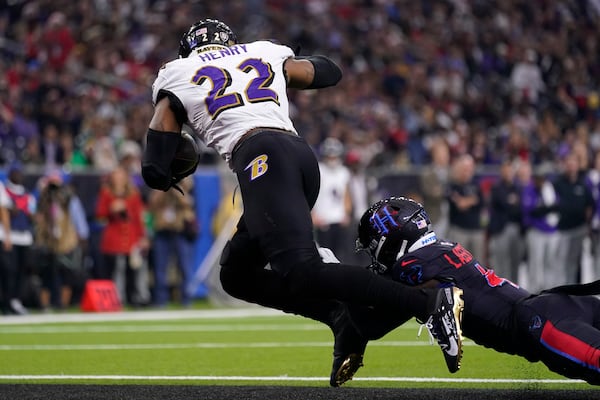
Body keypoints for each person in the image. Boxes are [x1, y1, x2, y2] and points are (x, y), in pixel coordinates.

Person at [140, 18, 464, 381]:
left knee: (303, 270)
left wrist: (173, 164)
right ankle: (341, 320)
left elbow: (154, 165)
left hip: (262, 159)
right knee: (237, 274)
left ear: (188, 51)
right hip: (298, 159)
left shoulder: (178, 72)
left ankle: (429, 300)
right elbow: (329, 72)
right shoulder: (262, 51)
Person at [332, 196, 600, 386]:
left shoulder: (410, 266)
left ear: (389, 239)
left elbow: (372, 325)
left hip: (538, 322)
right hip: (564, 304)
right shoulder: (441, 250)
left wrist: (335, 276)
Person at [95, 166, 150, 307]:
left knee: (137, 267)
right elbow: (99, 215)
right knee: (118, 269)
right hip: (115, 238)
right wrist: (111, 209)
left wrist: (142, 236)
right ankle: (118, 299)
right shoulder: (107, 193)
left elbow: (138, 217)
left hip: (131, 237)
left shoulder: (133, 194)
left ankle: (140, 297)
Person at [147, 175, 197, 307]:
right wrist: (164, 187)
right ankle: (160, 300)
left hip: (179, 231)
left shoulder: (183, 187)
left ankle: (186, 299)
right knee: (160, 269)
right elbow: (152, 203)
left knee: (184, 267)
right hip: (162, 232)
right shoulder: (159, 188)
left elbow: (188, 203)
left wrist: (176, 189)